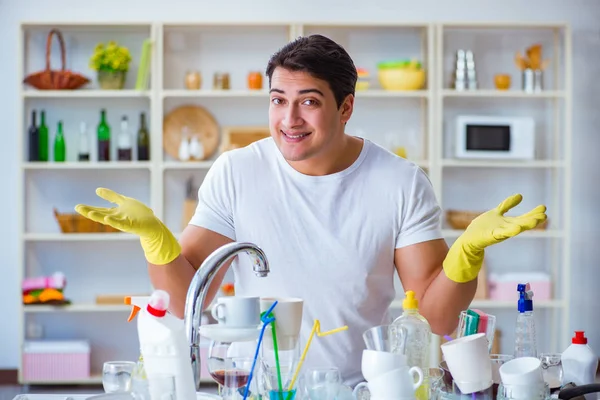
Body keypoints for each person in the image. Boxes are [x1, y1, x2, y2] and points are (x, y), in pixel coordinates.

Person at [75, 34, 547, 386]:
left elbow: (434, 318)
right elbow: (184, 303)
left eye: (309, 102)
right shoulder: (237, 171)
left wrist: (466, 255)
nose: (289, 119)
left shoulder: (400, 181)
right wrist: (157, 242)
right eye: (278, 101)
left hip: (361, 389)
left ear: (346, 109)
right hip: (258, 390)